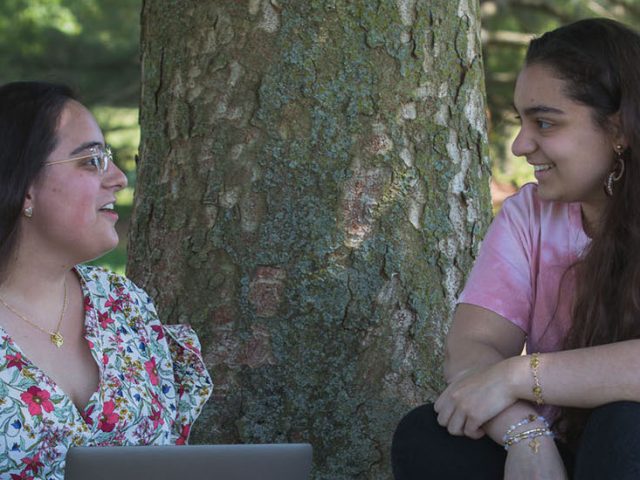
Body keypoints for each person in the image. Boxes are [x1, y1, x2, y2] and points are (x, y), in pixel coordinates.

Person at [392, 18, 640, 480]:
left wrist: (515, 376)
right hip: (564, 447)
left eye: (545, 122)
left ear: (619, 128)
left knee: (625, 425)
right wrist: (525, 434)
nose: (522, 144)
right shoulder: (530, 215)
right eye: (521, 122)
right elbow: (473, 347)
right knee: (428, 434)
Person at [0, 81, 212, 479]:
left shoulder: (124, 305)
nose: (118, 178)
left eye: (109, 158)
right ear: (24, 185)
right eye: (91, 160)